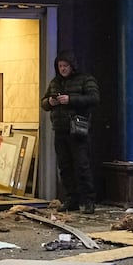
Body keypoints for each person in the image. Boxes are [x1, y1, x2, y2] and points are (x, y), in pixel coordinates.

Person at [40, 50, 99, 213]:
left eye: (65, 66)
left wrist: (71, 99)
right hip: (60, 130)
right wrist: (50, 102)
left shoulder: (85, 80)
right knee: (64, 167)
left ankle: (88, 200)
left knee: (82, 166)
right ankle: (71, 198)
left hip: (78, 130)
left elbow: (94, 98)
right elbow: (43, 103)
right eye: (60, 66)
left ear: (72, 66)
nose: (63, 69)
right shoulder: (54, 83)